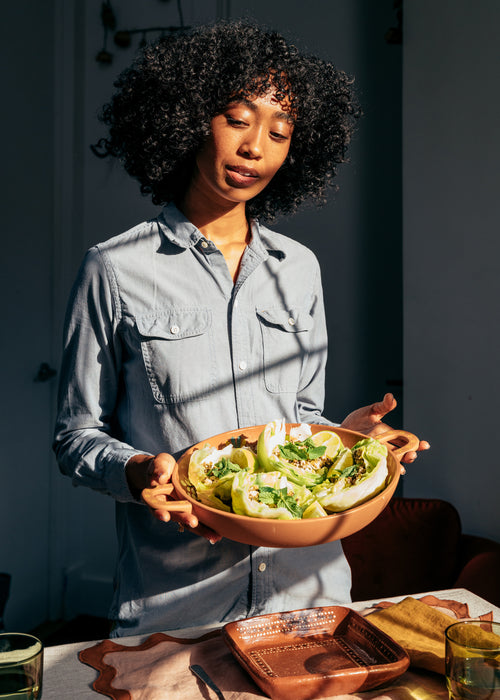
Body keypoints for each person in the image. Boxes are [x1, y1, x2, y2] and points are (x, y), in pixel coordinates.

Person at [53, 20, 429, 638]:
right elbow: (76, 436)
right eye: (237, 119)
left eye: (280, 132)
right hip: (178, 609)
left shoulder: (299, 269)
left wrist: (348, 438)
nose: (257, 146)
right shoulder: (114, 269)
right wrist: (138, 469)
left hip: (310, 593)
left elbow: (297, 421)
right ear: (189, 120)